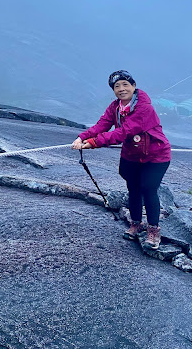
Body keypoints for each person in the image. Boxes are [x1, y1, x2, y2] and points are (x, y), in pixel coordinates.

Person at [72, 70, 171, 249]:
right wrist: (82, 137)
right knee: (133, 189)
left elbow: (124, 131)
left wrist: (94, 142)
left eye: (125, 84)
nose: (121, 89)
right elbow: (102, 124)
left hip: (156, 156)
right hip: (131, 155)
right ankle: (136, 223)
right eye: (117, 86)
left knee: (148, 189)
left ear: (134, 86)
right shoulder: (115, 107)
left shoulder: (144, 107)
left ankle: (153, 230)